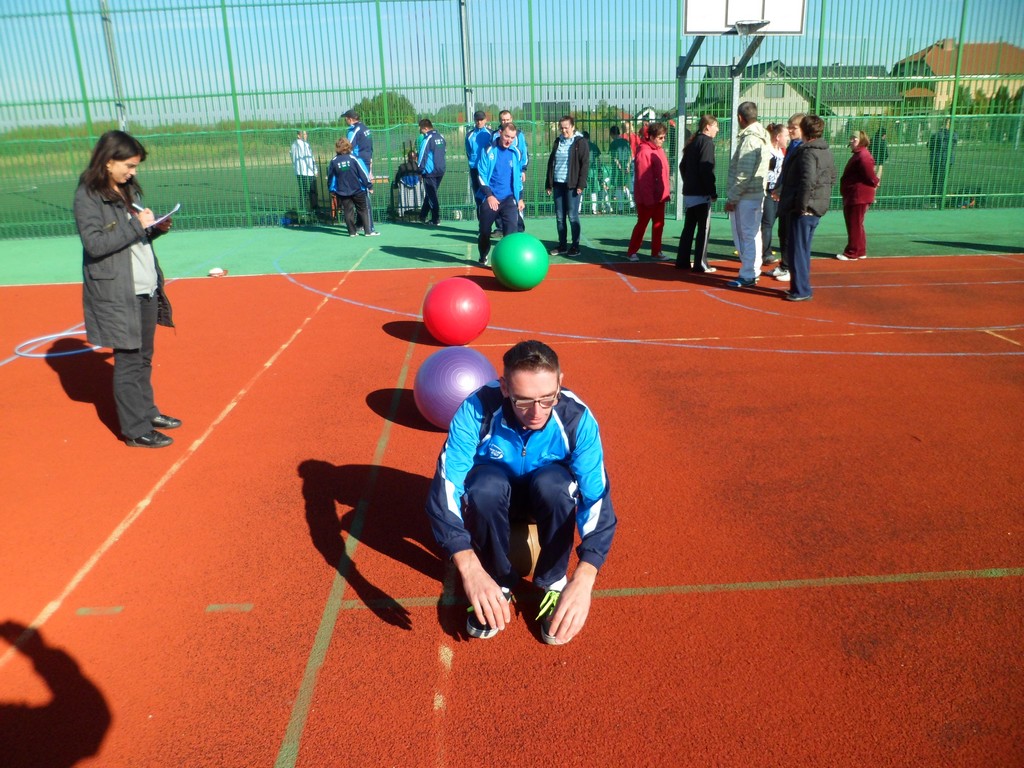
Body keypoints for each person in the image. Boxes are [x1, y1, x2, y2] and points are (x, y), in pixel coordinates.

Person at [425, 339, 617, 645]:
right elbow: (444, 488)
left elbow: (597, 499)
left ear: (559, 383)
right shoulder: (476, 410)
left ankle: (554, 580)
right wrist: (469, 567)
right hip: (493, 493)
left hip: (546, 494)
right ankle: (497, 579)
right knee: (484, 486)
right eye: (523, 401)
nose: (536, 412)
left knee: (555, 484)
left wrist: (585, 577)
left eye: (547, 399)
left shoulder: (576, 419)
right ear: (504, 388)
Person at [72, 130, 179, 448]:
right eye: (129, 165)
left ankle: (147, 412)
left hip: (145, 285)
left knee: (144, 357)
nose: (133, 172)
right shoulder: (88, 195)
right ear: (108, 161)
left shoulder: (125, 189)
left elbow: (131, 238)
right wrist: (137, 225)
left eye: (135, 166)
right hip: (118, 292)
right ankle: (135, 430)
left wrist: (154, 229)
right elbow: (95, 244)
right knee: (129, 360)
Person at [776, 115, 836, 302]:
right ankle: (799, 287)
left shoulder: (807, 152)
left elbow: (807, 181)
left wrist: (801, 206)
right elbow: (832, 177)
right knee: (801, 249)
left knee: (798, 251)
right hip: (815, 207)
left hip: (805, 209)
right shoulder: (825, 151)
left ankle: (801, 290)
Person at [724, 101, 772, 289]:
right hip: (756, 193)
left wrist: (732, 198)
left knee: (745, 236)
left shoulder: (750, 139)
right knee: (753, 234)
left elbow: (743, 174)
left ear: (740, 118)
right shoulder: (763, 135)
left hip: (746, 197)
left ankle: (748, 274)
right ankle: (753, 270)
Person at [475, 122, 526, 266]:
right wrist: (489, 196)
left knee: (511, 234)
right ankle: (483, 255)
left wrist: (520, 198)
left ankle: (508, 263)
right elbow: (481, 175)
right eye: (507, 136)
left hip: (509, 199)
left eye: (512, 138)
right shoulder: (488, 150)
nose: (509, 140)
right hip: (490, 197)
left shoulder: (516, 152)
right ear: (500, 133)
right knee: (485, 231)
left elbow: (517, 178)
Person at [676, 114, 719, 273]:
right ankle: (701, 263)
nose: (717, 129)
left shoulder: (693, 142)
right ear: (708, 126)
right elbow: (706, 168)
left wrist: (689, 182)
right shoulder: (706, 142)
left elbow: (682, 166)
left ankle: (682, 261)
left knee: (689, 227)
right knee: (703, 229)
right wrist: (711, 191)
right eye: (715, 126)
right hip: (701, 194)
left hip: (690, 192)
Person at [766, 113, 806, 283]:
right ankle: (784, 265)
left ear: (803, 129)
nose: (789, 130)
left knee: (791, 234)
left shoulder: (803, 147)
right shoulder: (792, 146)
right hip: (785, 195)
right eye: (789, 127)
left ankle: (790, 268)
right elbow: (785, 170)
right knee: (783, 232)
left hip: (794, 197)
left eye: (793, 128)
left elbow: (801, 175)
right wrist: (779, 187)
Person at [625, 121, 671, 262]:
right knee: (642, 224)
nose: (663, 140)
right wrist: (648, 199)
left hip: (659, 196)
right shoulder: (644, 152)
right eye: (660, 137)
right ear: (651, 137)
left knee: (659, 224)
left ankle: (656, 251)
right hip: (647, 198)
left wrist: (664, 193)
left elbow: (663, 174)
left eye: (664, 137)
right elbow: (643, 179)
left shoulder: (659, 150)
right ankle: (632, 251)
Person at [544, 115, 590, 256]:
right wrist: (549, 184)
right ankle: (562, 245)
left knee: (572, 216)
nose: (564, 130)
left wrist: (581, 184)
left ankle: (575, 246)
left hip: (572, 185)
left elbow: (584, 165)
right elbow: (551, 162)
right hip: (558, 184)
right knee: (559, 217)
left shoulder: (580, 142)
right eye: (561, 128)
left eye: (566, 127)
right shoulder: (558, 141)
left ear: (573, 127)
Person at [836, 130, 879, 261]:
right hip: (854, 194)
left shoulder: (863, 156)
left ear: (862, 140)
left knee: (854, 224)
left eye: (855, 138)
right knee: (857, 223)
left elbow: (869, 174)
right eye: (851, 138)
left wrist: (875, 181)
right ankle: (860, 251)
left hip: (858, 195)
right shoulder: (859, 154)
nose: (851, 140)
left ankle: (852, 252)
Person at [327, 137, 375, 236]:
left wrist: (331, 189)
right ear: (348, 146)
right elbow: (363, 173)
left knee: (348, 211)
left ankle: (352, 232)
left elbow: (331, 177)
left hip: (342, 191)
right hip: (357, 189)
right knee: (363, 210)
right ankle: (367, 231)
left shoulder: (334, 161)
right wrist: (369, 186)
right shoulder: (354, 158)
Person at [493, 109, 529, 234]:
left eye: (507, 119)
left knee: (516, 199)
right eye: (503, 120)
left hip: (514, 172)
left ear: (511, 119)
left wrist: (523, 169)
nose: (505, 121)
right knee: (498, 199)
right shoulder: (495, 135)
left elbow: (524, 153)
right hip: (499, 174)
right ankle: (500, 227)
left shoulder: (519, 135)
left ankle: (519, 227)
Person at [343, 110, 377, 231]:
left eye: (346, 118)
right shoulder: (365, 129)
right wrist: (370, 167)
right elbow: (370, 148)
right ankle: (361, 223)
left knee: (362, 195)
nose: (345, 121)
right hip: (365, 163)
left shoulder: (354, 130)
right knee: (360, 193)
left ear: (350, 119)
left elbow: (347, 147)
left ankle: (369, 226)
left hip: (358, 164)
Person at [760, 123, 789, 265]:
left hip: (778, 192)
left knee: (773, 221)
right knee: (767, 222)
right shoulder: (767, 151)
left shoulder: (782, 152)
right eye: (786, 135)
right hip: (767, 192)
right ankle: (765, 254)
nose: (788, 138)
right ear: (778, 137)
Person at [417, 118, 446, 226]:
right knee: (430, 194)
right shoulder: (441, 137)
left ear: (425, 128)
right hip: (440, 170)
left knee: (432, 196)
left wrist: (419, 171)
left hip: (429, 172)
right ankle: (422, 215)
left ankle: (435, 219)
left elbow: (422, 156)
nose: (420, 131)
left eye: (420, 128)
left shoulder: (427, 139)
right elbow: (444, 152)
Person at [927, 118, 958, 206]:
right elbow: (930, 144)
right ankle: (936, 201)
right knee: (937, 181)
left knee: (939, 181)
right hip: (938, 160)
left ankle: (937, 201)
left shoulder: (947, 134)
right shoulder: (943, 134)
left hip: (942, 160)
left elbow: (937, 144)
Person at [289, 130, 318, 216]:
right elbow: (310, 158)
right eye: (304, 134)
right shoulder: (303, 145)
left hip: (299, 171)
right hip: (307, 171)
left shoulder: (294, 145)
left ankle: (303, 208)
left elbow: (291, 155)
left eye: (306, 134)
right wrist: (315, 170)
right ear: (299, 135)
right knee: (311, 190)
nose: (306, 136)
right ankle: (314, 208)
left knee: (303, 191)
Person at [465, 110, 492, 201]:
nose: (479, 122)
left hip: (487, 168)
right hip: (475, 168)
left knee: (489, 193)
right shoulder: (469, 135)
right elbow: (468, 151)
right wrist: (473, 161)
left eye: (481, 120)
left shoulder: (491, 134)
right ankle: (479, 209)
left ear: (485, 120)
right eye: (477, 120)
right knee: (477, 194)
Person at [607, 125, 634, 213]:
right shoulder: (626, 142)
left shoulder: (613, 144)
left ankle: (620, 208)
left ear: (612, 134)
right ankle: (632, 204)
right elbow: (631, 154)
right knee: (625, 185)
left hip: (618, 169)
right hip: (627, 166)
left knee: (618, 187)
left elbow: (614, 157)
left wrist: (620, 167)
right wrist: (628, 165)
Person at [391, 150, 424, 218]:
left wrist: (396, 184)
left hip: (404, 189)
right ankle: (419, 210)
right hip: (416, 189)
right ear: (416, 158)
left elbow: (398, 176)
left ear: (408, 158)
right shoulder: (418, 167)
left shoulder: (402, 167)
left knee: (403, 198)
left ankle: (402, 213)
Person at [582, 130, 605, 214]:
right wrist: (599, 169)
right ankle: (594, 209)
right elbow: (598, 159)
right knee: (593, 190)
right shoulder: (594, 146)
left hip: (583, 171)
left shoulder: (581, 146)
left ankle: (578, 209)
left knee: (581, 189)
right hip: (593, 171)